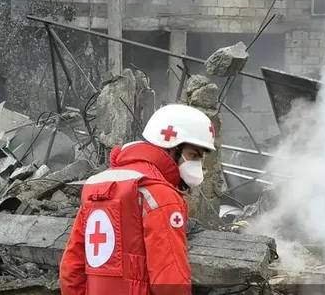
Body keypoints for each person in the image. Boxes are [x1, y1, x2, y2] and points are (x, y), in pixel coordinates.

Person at [59, 103, 216, 295]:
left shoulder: (96, 184)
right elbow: (169, 277)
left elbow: (71, 267)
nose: (196, 165)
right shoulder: (160, 194)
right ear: (171, 146)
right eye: (193, 155)